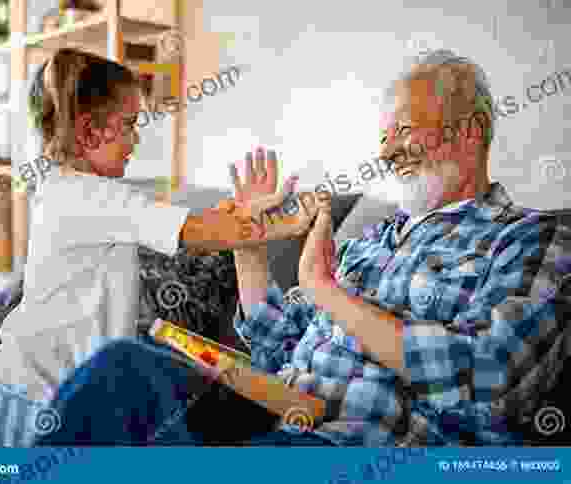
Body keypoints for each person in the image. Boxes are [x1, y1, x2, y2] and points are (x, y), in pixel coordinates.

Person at [35, 49, 571, 447]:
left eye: (404, 130)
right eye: (384, 137)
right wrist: (250, 245)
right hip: (272, 408)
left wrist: (324, 289)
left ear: (471, 131)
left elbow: (494, 378)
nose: (386, 152)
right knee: (121, 370)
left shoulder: (530, 238)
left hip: (351, 444)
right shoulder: (371, 242)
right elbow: (276, 348)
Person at [0, 48, 317, 447]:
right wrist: (289, 223)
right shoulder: (89, 195)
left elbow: (192, 226)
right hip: (29, 395)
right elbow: (202, 232)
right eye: (131, 124)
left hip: (39, 386)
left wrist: (240, 211)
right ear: (89, 132)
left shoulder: (75, 190)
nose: (137, 138)